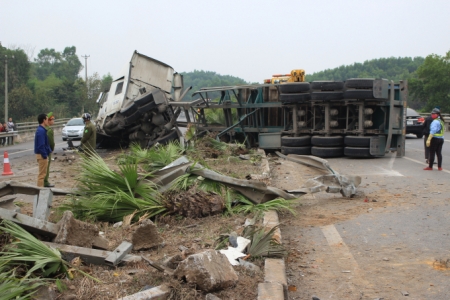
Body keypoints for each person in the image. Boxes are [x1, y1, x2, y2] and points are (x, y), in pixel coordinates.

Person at [34, 113, 52, 187]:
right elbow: (41, 145)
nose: (48, 121)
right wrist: (45, 155)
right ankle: (40, 190)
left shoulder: (41, 130)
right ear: (44, 120)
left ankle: (40, 190)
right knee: (42, 175)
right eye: (47, 119)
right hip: (41, 155)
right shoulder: (41, 131)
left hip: (42, 154)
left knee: (42, 174)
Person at [44, 112, 55, 187]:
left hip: (44, 150)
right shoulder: (49, 130)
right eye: (52, 119)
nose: (53, 121)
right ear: (48, 120)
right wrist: (52, 149)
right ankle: (45, 182)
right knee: (46, 167)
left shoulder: (43, 128)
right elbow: (51, 142)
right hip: (47, 150)